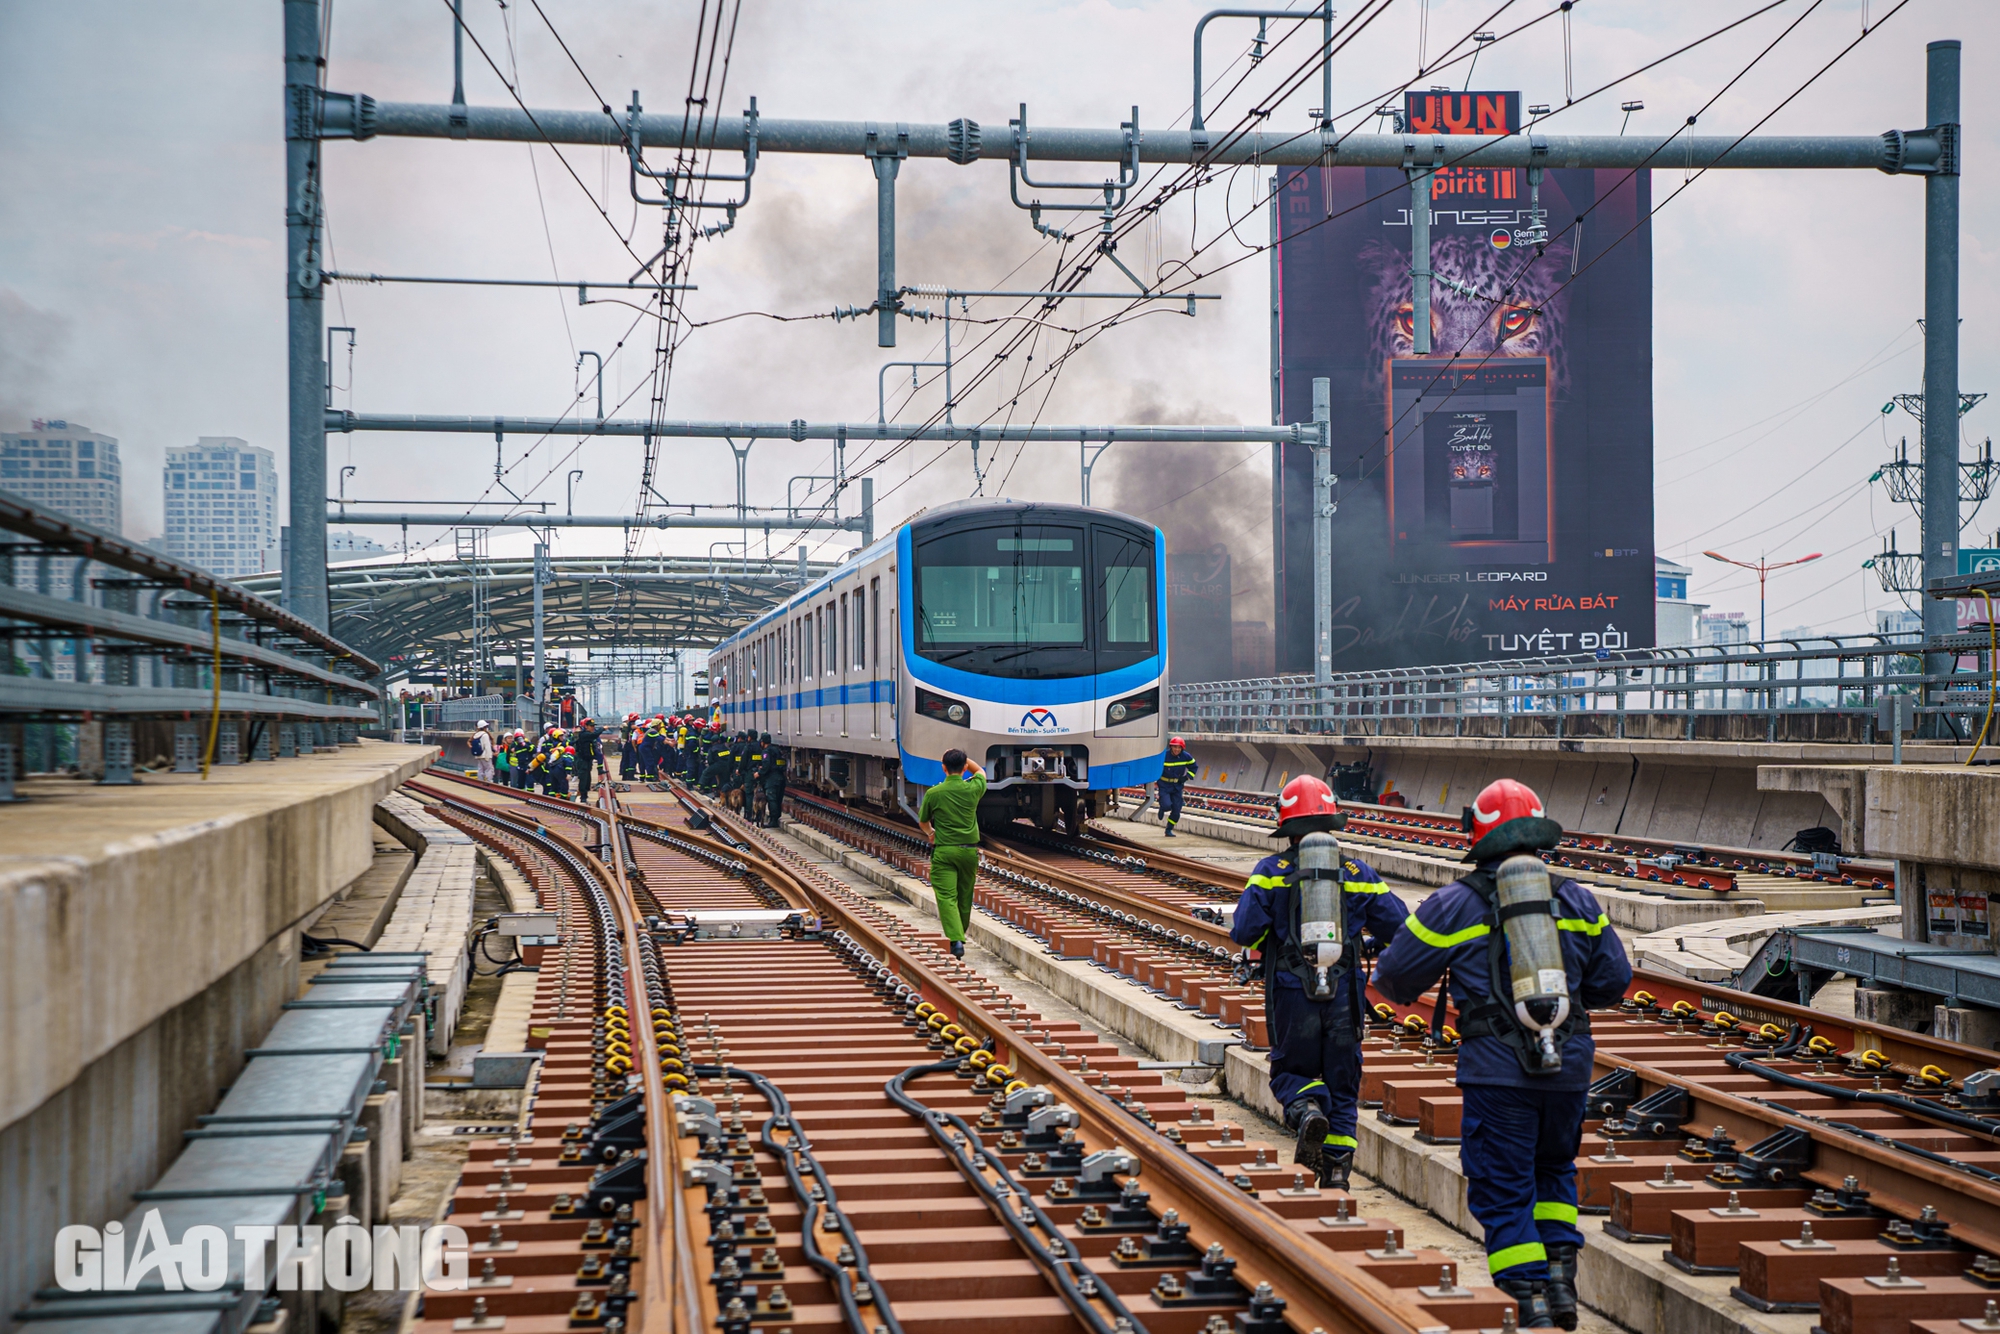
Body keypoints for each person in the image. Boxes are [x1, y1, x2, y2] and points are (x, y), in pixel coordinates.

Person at [1371, 779, 1632, 1330]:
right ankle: (1561, 1279)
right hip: (1570, 1069)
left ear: (1478, 834)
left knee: (1503, 1181)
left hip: (1497, 1073)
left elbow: (1394, 979)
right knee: (1554, 1168)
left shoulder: (1454, 904)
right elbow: (1613, 982)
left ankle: (1530, 1304)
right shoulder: (1577, 899)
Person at [1228, 774, 1406, 1191]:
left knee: (1290, 1070)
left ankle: (1307, 1110)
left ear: (1286, 824)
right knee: (1343, 1083)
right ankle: (1337, 1174)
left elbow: (1244, 930)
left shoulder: (1271, 871)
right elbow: (1400, 925)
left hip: (1292, 992)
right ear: (1331, 821)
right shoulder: (1358, 871)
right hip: (1345, 993)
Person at [916, 749, 986, 959]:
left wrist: (931, 833)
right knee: (965, 896)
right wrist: (966, 761)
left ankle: (956, 941)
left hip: (945, 852)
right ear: (965, 767)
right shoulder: (973, 788)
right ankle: (959, 933)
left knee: (947, 897)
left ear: (943, 768)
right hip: (969, 852)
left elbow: (923, 821)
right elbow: (980, 771)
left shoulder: (934, 793)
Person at [1156, 736, 1196, 836]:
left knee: (1177, 810)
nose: (1177, 749)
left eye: (1179, 747)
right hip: (1164, 785)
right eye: (1175, 747)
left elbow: (1194, 767)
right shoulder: (1164, 756)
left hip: (1177, 786)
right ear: (1171, 747)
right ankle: (1162, 807)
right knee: (1166, 805)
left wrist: (1187, 777)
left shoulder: (1186, 756)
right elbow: (1155, 768)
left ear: (1182, 748)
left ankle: (1169, 829)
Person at [758, 732, 787, 828]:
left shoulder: (766, 752)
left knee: (772, 799)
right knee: (778, 799)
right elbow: (782, 763)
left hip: (771, 778)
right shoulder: (777, 750)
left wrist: (759, 773)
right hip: (780, 777)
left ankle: (773, 820)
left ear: (763, 742)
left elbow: (766, 765)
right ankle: (777, 817)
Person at [738, 732, 766, 819]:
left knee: (749, 793)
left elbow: (743, 761)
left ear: (749, 737)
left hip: (749, 773)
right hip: (759, 772)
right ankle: (759, 815)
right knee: (759, 792)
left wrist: (739, 770)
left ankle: (749, 814)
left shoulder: (748, 747)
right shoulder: (760, 747)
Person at [575, 718, 603, 802]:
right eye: (591, 726)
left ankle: (585, 795)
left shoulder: (588, 735)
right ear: (586, 726)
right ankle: (583, 797)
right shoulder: (584, 735)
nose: (593, 728)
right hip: (582, 760)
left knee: (587, 779)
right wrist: (602, 729)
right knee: (583, 778)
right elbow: (594, 735)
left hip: (588, 760)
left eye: (593, 726)